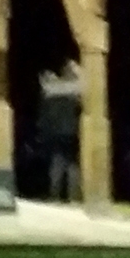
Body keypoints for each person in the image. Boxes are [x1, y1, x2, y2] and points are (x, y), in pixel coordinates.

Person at [35, 59, 83, 202]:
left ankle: (55, 194)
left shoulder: (51, 89)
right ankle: (72, 195)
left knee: (58, 162)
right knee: (71, 164)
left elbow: (44, 110)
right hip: (70, 130)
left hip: (56, 131)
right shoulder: (73, 90)